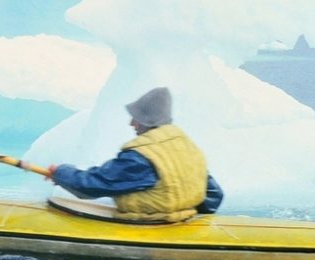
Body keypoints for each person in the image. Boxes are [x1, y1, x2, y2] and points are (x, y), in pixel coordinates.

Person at [49, 87, 224, 222]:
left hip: (150, 224)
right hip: (183, 220)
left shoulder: (142, 156)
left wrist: (60, 172)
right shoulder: (187, 147)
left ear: (149, 121)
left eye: (137, 118)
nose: (132, 123)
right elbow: (214, 195)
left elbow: (92, 185)